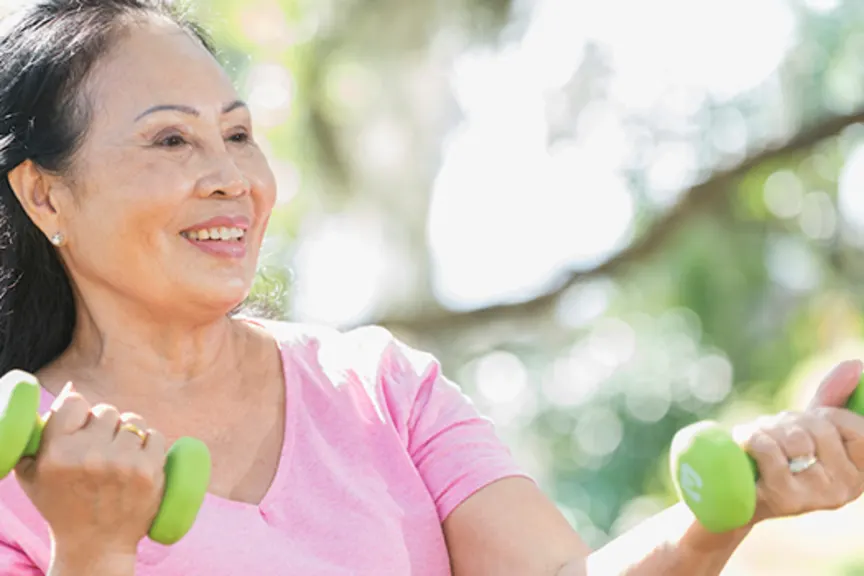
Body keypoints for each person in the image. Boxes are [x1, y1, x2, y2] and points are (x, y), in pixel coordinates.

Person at [0, 1, 862, 575]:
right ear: (44, 194)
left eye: (238, 133)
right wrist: (91, 549)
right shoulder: (21, 468)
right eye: (170, 142)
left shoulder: (378, 387)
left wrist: (729, 505)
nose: (232, 177)